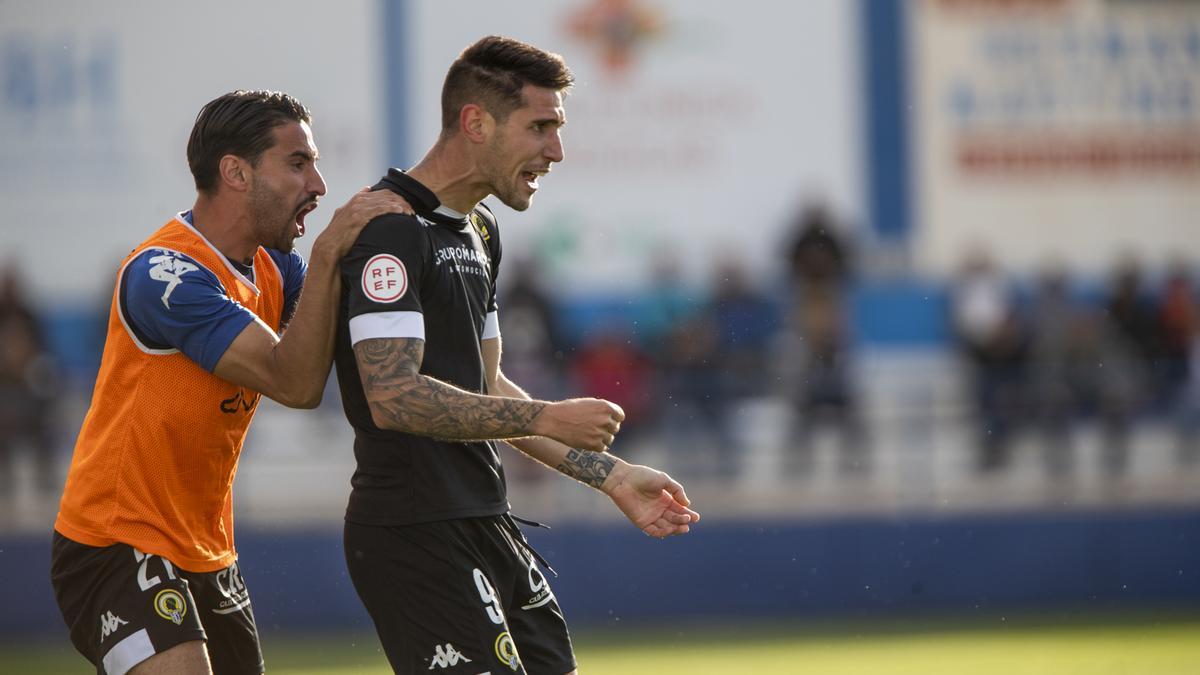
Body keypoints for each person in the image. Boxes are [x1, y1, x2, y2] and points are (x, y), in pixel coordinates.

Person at [333, 35, 700, 674]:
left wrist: (611, 476)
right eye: (540, 127)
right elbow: (392, 396)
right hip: (415, 533)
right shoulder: (391, 230)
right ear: (475, 122)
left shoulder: (479, 229)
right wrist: (543, 417)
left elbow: (492, 382)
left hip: (486, 521)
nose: (556, 151)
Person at [50, 90, 412, 675]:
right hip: (115, 540)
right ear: (235, 172)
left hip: (207, 550)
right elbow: (293, 384)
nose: (318, 185)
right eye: (297, 163)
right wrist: (329, 254)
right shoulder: (163, 273)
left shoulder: (278, 267)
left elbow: (363, 346)